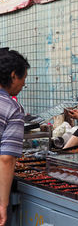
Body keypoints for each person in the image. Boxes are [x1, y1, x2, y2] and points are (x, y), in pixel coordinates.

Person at [0, 49, 30, 226]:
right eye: (23, 78)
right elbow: (6, 159)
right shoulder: (13, 109)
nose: (24, 84)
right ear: (13, 76)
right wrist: (3, 204)